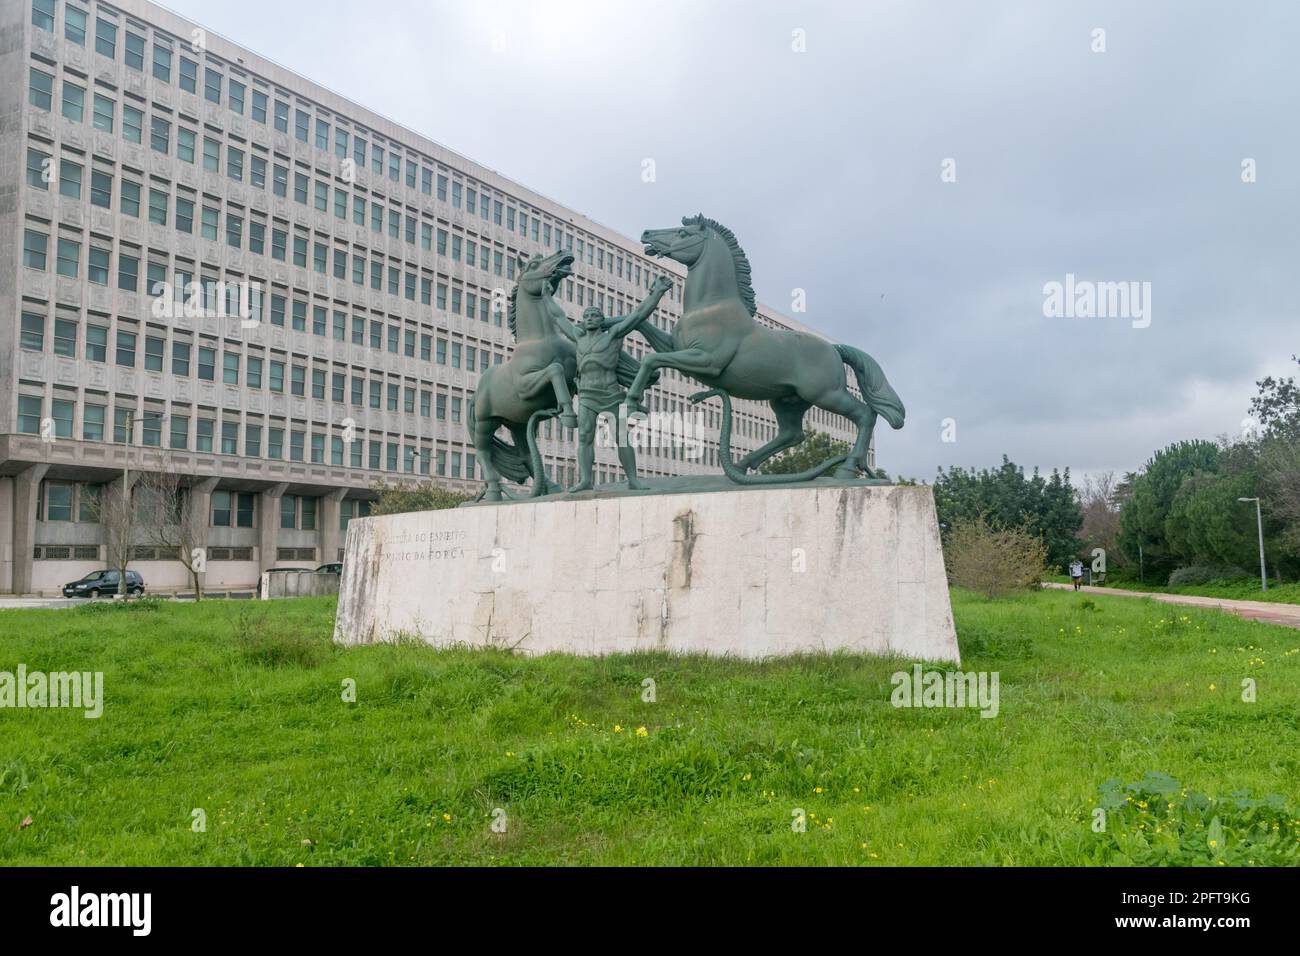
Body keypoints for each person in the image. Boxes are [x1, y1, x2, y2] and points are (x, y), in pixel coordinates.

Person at [562, 275, 673, 492]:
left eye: (595, 315)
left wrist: (657, 292)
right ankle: (585, 480)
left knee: (621, 437)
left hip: (610, 393)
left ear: (602, 320)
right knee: (584, 436)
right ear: (583, 321)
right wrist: (545, 295)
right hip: (586, 394)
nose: (591, 318)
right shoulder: (578, 338)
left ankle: (633, 480)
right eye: (587, 316)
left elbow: (639, 315)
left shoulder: (613, 334)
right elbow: (557, 317)